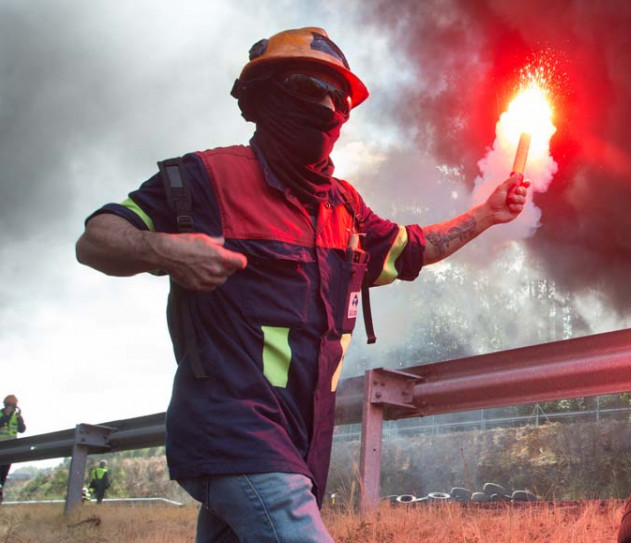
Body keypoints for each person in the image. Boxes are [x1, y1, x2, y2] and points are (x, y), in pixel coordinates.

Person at [75, 27, 528, 542]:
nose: (329, 107)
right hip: (234, 432)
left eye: (340, 98)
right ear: (261, 98)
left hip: (300, 444)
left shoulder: (344, 208)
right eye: (309, 87)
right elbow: (96, 239)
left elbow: (414, 248)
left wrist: (487, 214)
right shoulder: (205, 180)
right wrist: (168, 250)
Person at [0, 395, 26, 504]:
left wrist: (20, 419)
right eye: (10, 406)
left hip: (8, 452)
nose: (12, 408)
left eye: (14, 406)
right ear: (5, 406)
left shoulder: (15, 418)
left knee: (2, 477)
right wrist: (6, 416)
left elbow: (22, 430)